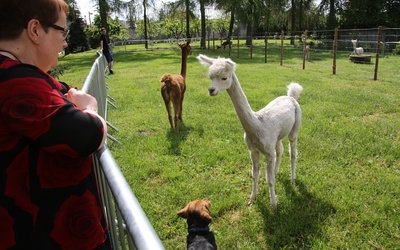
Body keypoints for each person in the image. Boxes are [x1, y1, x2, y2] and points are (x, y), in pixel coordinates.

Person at [0, 0, 111, 249]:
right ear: (35, 30)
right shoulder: (15, 82)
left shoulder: (20, 75)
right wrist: (92, 108)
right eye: (63, 31)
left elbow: (59, 89)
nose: (65, 42)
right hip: (46, 237)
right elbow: (88, 134)